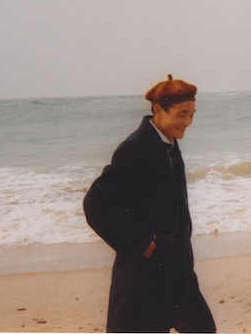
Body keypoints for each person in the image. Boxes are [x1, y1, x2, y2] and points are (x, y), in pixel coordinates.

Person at [84, 74, 216, 333]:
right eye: (181, 114)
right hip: (145, 273)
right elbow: (96, 205)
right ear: (158, 110)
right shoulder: (136, 148)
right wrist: (140, 242)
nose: (188, 122)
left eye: (192, 114)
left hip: (177, 270)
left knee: (203, 329)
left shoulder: (168, 142)